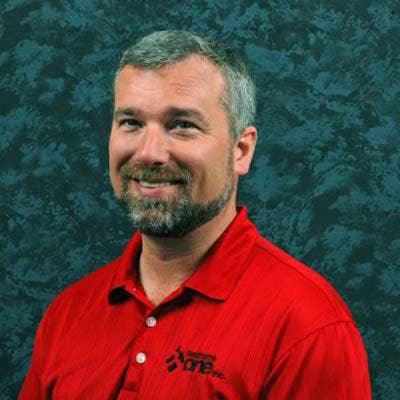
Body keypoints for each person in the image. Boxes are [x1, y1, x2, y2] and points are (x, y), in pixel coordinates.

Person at [19, 30, 371, 399]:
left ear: (241, 150)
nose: (149, 153)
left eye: (182, 125)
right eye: (131, 123)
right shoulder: (69, 313)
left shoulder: (308, 327)